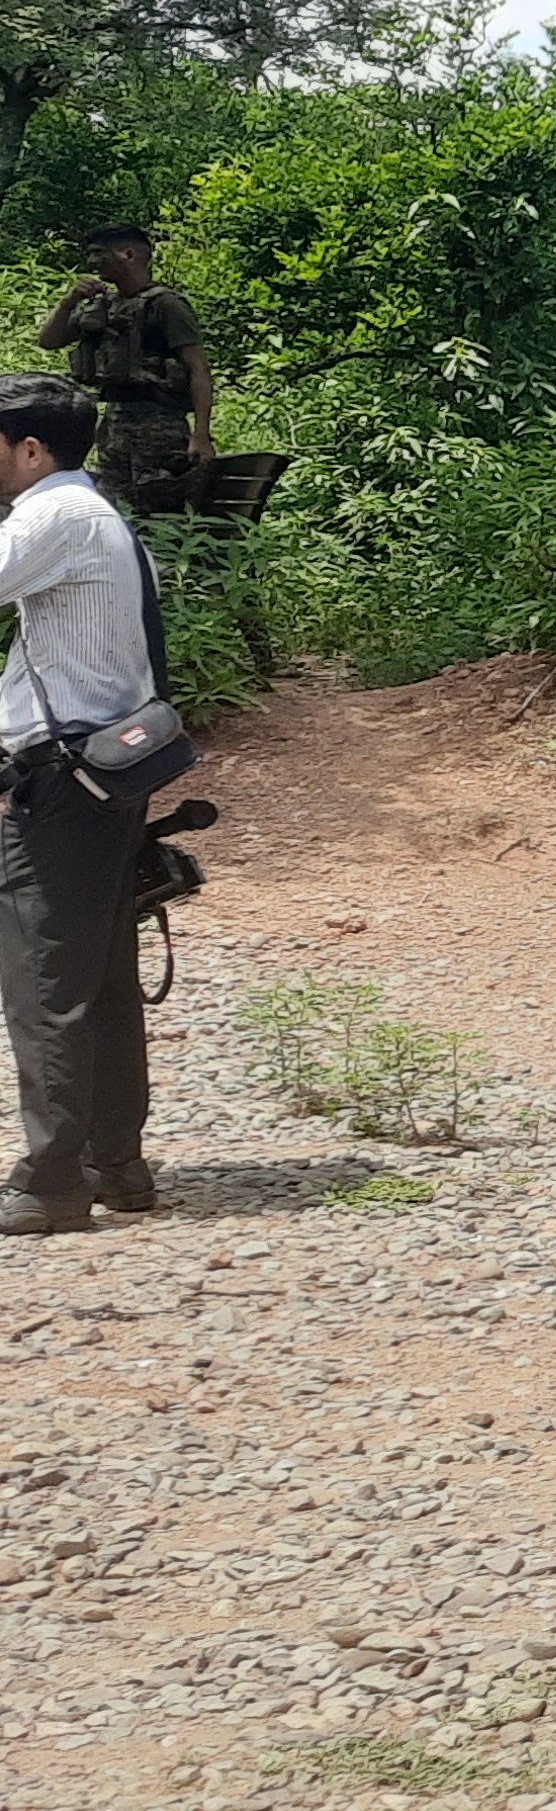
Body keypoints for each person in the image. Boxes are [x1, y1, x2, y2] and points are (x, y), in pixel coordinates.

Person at [0, 374, 165, 1235]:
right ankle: (115, 1163)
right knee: (99, 981)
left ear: (31, 450)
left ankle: (50, 1182)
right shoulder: (96, 514)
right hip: (101, 776)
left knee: (45, 983)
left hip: (62, 780)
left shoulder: (51, 516)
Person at [33, 225, 211, 511]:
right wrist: (70, 302)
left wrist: (201, 433)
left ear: (128, 254)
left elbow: (198, 369)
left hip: (160, 422)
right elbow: (49, 340)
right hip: (114, 422)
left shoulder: (166, 306)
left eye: (98, 254)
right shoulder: (104, 305)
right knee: (114, 507)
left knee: (161, 506)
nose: (91, 262)